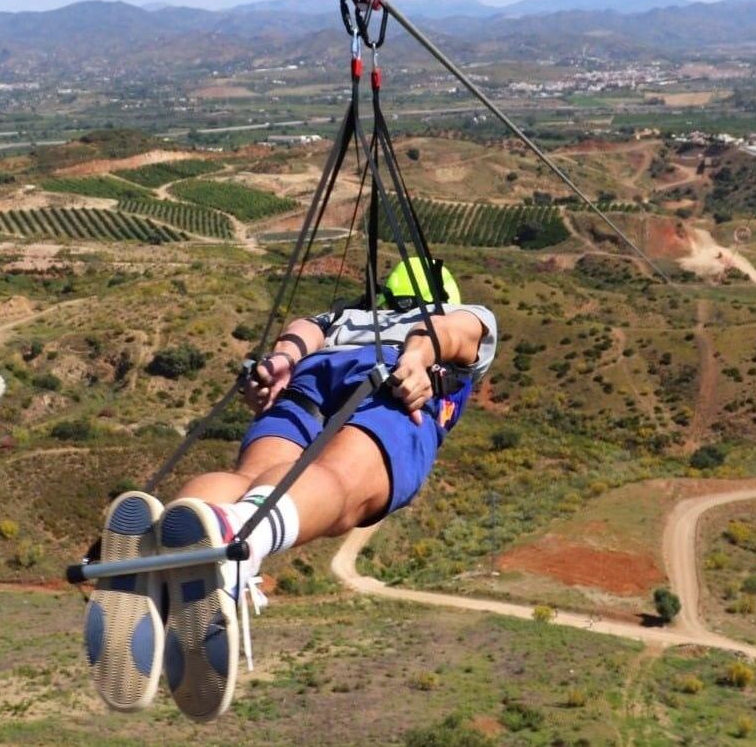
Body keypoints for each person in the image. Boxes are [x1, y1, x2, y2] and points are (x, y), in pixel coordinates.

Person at [85, 258, 498, 721]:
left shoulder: (343, 318)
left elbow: (303, 329)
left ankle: (169, 539)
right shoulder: (468, 317)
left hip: (312, 377)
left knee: (250, 479)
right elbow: (449, 331)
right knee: (341, 485)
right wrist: (418, 359)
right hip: (393, 381)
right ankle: (233, 536)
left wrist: (281, 361)